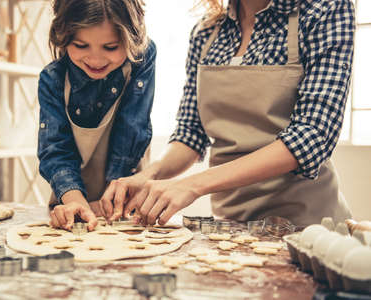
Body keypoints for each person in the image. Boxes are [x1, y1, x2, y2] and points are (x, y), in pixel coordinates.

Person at [100, 0, 354, 227]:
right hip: (230, 226)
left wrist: (193, 184)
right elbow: (190, 134)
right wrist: (148, 175)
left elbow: (311, 138)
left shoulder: (325, 10)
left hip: (305, 226)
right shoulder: (207, 32)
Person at [37, 0, 156, 231]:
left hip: (127, 199)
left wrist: (113, 198)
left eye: (110, 47)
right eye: (81, 46)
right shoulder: (52, 79)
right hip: (72, 202)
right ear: (63, 37)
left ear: (131, 38)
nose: (96, 59)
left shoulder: (141, 59)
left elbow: (132, 128)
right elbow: (55, 151)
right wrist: (77, 203)